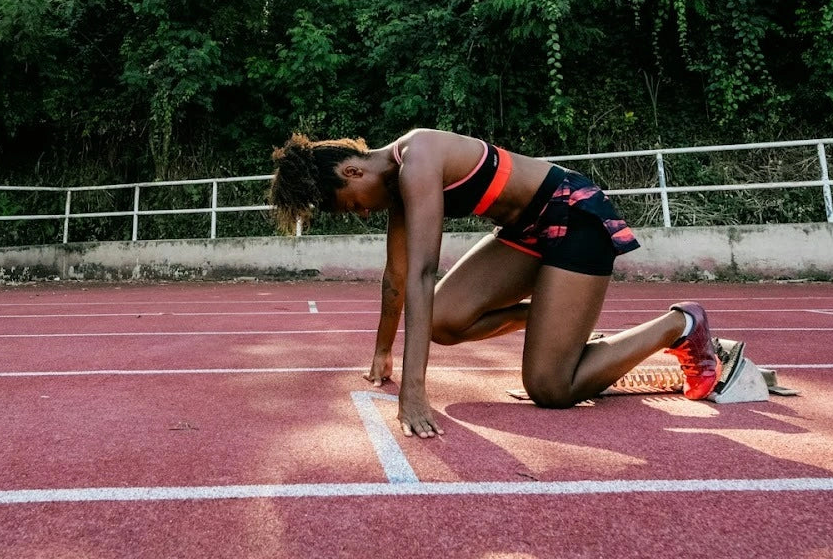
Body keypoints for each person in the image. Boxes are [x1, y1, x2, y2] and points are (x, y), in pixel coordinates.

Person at [269, 128, 724, 438]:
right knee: (442, 322)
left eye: (353, 206)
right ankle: (556, 329)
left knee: (551, 389)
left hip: (573, 216)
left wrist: (414, 390)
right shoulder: (395, 187)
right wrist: (382, 350)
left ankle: (680, 325)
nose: (362, 213)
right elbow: (397, 277)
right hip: (524, 234)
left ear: (353, 172)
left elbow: (424, 272)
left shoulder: (418, 159)